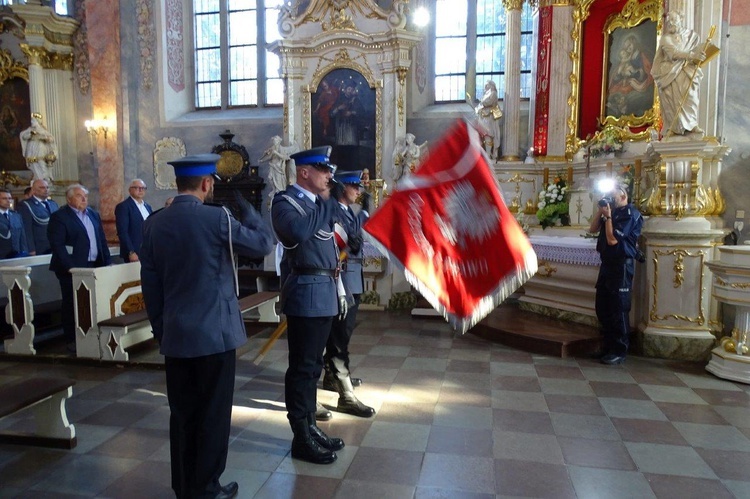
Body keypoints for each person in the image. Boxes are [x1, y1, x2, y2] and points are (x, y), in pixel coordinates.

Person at [140, 154, 274, 499]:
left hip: (176, 336)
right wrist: (250, 212)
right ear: (206, 183)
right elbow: (262, 244)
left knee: (182, 415)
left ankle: (185, 487)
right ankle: (207, 488)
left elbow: (150, 285)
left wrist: (161, 329)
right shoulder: (217, 218)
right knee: (213, 415)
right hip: (214, 337)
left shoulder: (154, 223)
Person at [271, 145, 347, 465]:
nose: (329, 175)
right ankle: (300, 434)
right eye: (323, 169)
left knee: (313, 366)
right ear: (304, 172)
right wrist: (327, 203)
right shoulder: (284, 202)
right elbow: (298, 233)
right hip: (306, 294)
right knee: (302, 368)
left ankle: (310, 425)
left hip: (325, 291)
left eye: (329, 170)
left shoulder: (317, 203)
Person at [323, 170, 375, 418]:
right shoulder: (332, 210)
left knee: (342, 334)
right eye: (355, 187)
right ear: (343, 187)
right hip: (340, 281)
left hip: (352, 280)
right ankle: (343, 391)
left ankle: (331, 378)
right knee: (338, 336)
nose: (358, 191)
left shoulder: (350, 212)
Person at [48, 184, 111, 348]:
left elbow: (101, 240)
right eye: (79, 196)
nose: (84, 199)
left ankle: (90, 336)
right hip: (71, 267)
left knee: (90, 302)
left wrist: (107, 263)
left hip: (93, 265)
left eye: (85, 196)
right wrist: (71, 268)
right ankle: (71, 339)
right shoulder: (60, 217)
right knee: (72, 303)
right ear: (69, 199)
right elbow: (58, 245)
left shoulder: (93, 214)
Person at [588, 183, 643, 365]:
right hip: (607, 265)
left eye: (613, 197)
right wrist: (600, 210)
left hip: (621, 266)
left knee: (618, 309)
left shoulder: (631, 214)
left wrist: (609, 216)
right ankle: (607, 346)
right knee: (603, 307)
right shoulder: (610, 213)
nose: (611, 200)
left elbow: (612, 240)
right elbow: (593, 229)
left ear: (624, 195)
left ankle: (619, 349)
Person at [651, 11, 706, 136]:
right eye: (668, 20)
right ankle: (674, 128)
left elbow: (697, 51)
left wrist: (701, 56)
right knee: (673, 101)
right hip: (670, 74)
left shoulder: (692, 36)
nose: (670, 22)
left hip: (688, 72)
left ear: (681, 18)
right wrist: (692, 55)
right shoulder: (665, 38)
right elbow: (674, 53)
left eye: (673, 19)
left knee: (691, 97)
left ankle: (691, 124)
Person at [114, 179, 153, 262]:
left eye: (143, 188)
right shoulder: (124, 207)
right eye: (137, 188)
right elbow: (122, 232)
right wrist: (130, 252)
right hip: (134, 252)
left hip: (149, 250)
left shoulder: (147, 207)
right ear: (130, 190)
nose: (140, 190)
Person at [18, 179, 59, 255]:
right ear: (33, 190)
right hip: (39, 247)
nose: (46, 190)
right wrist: (31, 249)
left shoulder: (53, 204)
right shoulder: (26, 205)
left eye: (47, 187)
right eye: (42, 187)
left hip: (55, 245)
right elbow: (26, 229)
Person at [19, 113, 57, 181]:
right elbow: (24, 137)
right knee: (33, 164)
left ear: (38, 121)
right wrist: (30, 134)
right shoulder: (29, 130)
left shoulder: (43, 130)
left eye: (33, 121)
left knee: (41, 162)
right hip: (31, 148)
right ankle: (37, 178)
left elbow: (51, 139)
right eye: (31, 121)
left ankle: (44, 177)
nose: (31, 122)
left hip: (40, 148)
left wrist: (43, 137)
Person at [475, 80, 502, 159]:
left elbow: (489, 102)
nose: (485, 87)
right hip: (484, 117)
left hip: (489, 118)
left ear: (491, 86)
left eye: (487, 85)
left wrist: (482, 102)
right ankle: (486, 154)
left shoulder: (493, 93)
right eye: (485, 85)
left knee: (488, 135)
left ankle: (488, 154)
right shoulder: (486, 95)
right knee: (484, 135)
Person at [260, 136, 293, 200]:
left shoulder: (282, 149)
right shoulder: (272, 148)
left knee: (278, 181)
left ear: (278, 142)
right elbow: (270, 157)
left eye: (275, 141)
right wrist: (262, 160)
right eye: (273, 141)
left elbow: (284, 157)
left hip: (278, 168)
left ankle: (279, 191)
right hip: (273, 165)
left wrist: (276, 153)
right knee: (270, 178)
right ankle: (274, 189)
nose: (274, 142)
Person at [0, 189, 28, 259]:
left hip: (16, 254)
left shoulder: (16, 215)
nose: (8, 201)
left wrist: (24, 252)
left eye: (9, 198)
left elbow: (22, 236)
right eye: (4, 198)